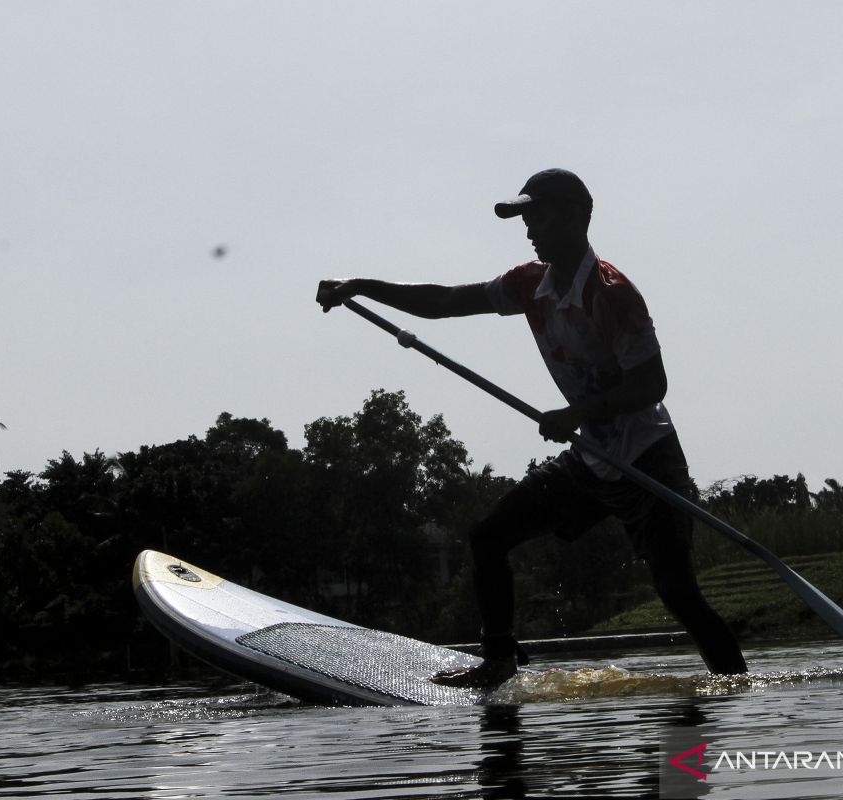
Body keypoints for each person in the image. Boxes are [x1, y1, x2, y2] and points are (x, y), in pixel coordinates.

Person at [316, 168, 748, 688]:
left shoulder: (612, 294)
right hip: (591, 460)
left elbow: (651, 384)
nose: (529, 230)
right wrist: (360, 286)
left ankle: (735, 693)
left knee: (677, 592)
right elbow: (444, 303)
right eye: (525, 219)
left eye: (537, 217)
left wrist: (577, 415)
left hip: (648, 457)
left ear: (574, 217)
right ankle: (498, 661)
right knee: (488, 537)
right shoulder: (529, 284)